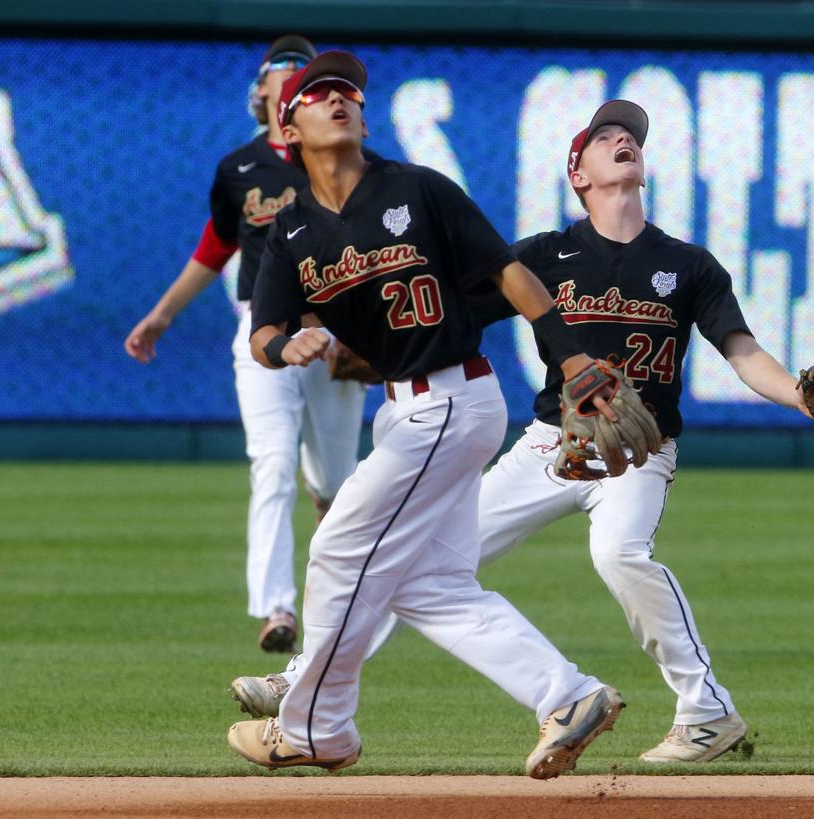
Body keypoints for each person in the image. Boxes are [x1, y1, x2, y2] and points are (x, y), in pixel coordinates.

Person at [230, 100, 814, 764]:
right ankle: (309, 675)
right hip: (547, 444)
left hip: (635, 450)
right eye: (605, 137)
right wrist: (385, 350)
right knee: (419, 562)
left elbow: (741, 351)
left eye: (631, 137)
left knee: (619, 554)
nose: (624, 140)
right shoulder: (548, 254)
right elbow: (454, 311)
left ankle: (706, 710)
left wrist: (800, 396)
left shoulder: (688, 266)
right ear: (578, 172)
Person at [227, 51, 626, 779]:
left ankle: (316, 724)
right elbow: (261, 331)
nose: (338, 97)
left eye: (348, 89)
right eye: (318, 93)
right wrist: (288, 345)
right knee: (424, 585)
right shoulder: (290, 234)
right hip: (406, 409)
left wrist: (570, 356)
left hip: (451, 396)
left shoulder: (417, 188)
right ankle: (567, 694)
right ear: (290, 126)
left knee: (339, 547)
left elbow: (507, 271)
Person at [124, 36, 368, 655]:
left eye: (302, 74)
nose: (289, 79)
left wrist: (367, 335)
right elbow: (215, 249)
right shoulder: (239, 170)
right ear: (260, 92)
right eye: (279, 72)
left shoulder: (344, 160)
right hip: (262, 332)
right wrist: (161, 316)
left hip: (331, 333)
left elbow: (370, 260)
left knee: (337, 481)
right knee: (273, 465)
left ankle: (334, 587)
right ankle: (278, 609)